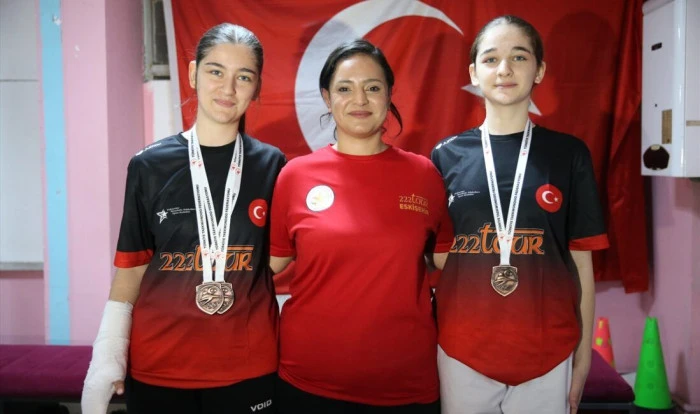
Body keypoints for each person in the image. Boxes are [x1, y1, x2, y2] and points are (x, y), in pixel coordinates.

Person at [81, 23, 285, 414]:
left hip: (247, 366)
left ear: (257, 87)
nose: (228, 88)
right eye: (215, 71)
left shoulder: (272, 165)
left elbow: (278, 256)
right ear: (193, 73)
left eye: (244, 77)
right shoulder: (148, 165)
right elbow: (132, 269)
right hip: (159, 366)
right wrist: (107, 354)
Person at [430, 15, 609, 414]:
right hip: (463, 350)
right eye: (491, 59)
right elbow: (438, 257)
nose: (505, 69)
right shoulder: (445, 156)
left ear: (539, 70)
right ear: (474, 73)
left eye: (519, 57)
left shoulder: (569, 154)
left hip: (549, 352)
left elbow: (581, 264)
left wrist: (583, 356)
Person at [268, 39, 453, 414]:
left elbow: (450, 263)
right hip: (308, 381)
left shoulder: (424, 174)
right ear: (326, 98)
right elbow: (268, 265)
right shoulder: (295, 175)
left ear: (389, 94)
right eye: (344, 89)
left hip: (406, 385)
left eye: (372, 87)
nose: (360, 100)